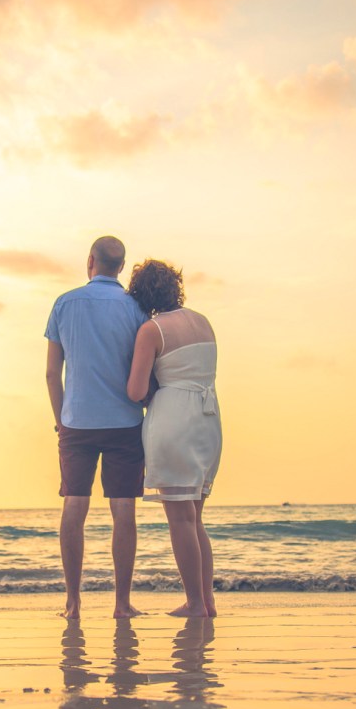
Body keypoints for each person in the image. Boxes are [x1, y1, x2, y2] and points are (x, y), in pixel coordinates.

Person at [45, 235, 148, 619]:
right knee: (124, 511)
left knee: (75, 506)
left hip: (76, 421)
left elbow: (52, 373)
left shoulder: (64, 303)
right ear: (120, 266)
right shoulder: (136, 308)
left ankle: (73, 604)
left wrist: (60, 421)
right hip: (124, 420)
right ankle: (121, 604)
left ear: (90, 261)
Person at [127, 259, 222, 617]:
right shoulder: (203, 322)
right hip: (208, 418)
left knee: (179, 518)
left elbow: (136, 390)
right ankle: (206, 600)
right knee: (195, 517)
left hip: (174, 419)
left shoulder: (152, 330)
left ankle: (195, 603)